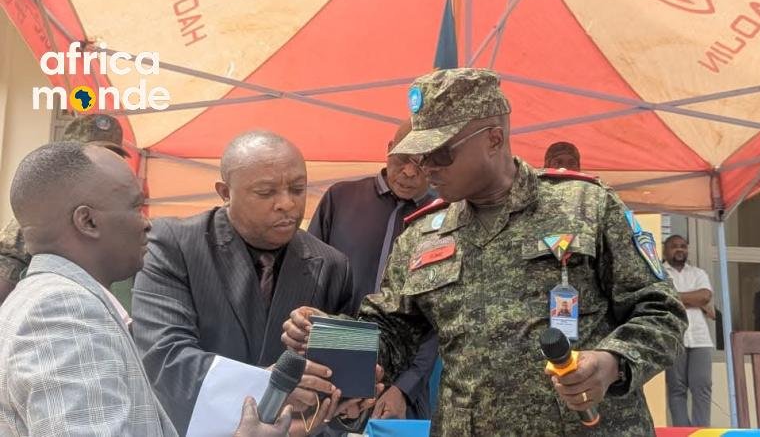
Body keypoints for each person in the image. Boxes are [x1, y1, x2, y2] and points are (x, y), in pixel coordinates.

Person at [283, 68, 687, 436]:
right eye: (419, 154)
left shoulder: (587, 206)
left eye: (440, 153)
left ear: (494, 138)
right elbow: (392, 332)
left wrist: (612, 362)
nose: (426, 167)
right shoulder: (423, 234)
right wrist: (329, 334)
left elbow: (660, 312)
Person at [0, 142, 292, 437]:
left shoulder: (43, 302)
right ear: (87, 221)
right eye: (135, 207)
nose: (147, 223)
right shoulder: (65, 311)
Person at [132, 131, 370, 436]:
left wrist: (351, 400)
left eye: (298, 189)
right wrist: (267, 386)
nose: (287, 203)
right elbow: (165, 358)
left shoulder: (333, 265)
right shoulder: (173, 245)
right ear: (225, 192)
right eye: (266, 192)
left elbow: (339, 387)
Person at [308, 119, 438, 420]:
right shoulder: (340, 198)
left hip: (402, 383)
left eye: (422, 163)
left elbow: (438, 319)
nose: (409, 172)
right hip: (331, 366)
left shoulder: (444, 217)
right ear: (389, 149)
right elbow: (312, 282)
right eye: (403, 158)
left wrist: (405, 388)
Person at [0, 114, 129, 306]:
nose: (104, 168)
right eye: (91, 160)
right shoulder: (38, 218)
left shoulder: (129, 220)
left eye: (112, 158)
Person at [662, 235, 714, 427]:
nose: (680, 249)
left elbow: (705, 297)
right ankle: (682, 432)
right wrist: (694, 301)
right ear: (665, 250)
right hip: (674, 337)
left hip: (700, 339)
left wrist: (675, 297)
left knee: (702, 387)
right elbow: (662, 298)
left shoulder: (698, 273)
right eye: (674, 246)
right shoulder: (659, 274)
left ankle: (701, 432)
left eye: (683, 246)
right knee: (677, 389)